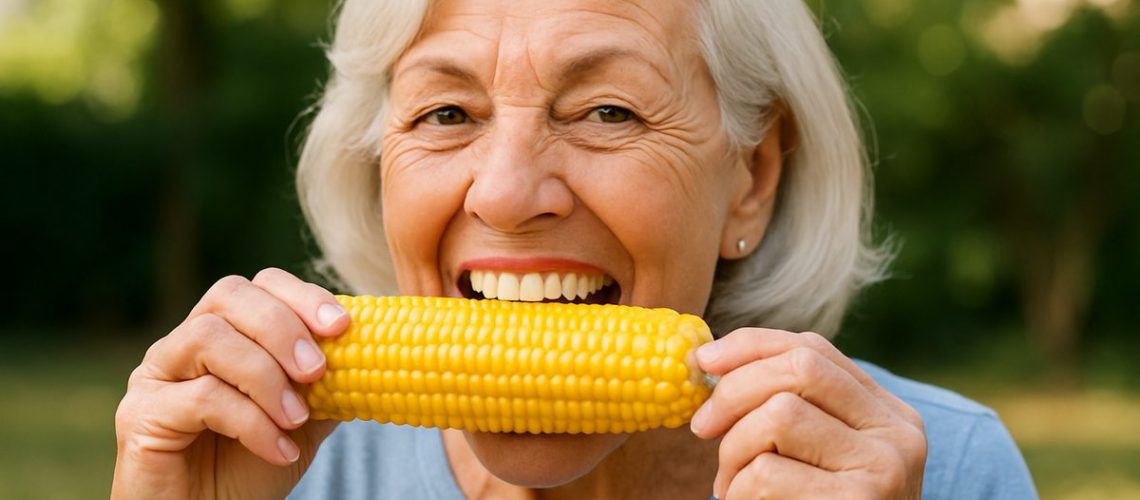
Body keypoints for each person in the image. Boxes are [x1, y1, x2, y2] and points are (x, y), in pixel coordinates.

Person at [112, 1, 1037, 498]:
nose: (508, 193)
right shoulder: (284, 480)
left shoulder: (939, 474)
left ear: (750, 177)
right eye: (446, 113)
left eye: (607, 111)